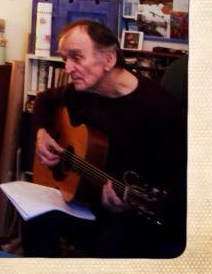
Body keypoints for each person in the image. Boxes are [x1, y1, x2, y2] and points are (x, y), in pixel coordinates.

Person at [22, 19, 186, 258]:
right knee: (33, 219)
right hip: (85, 197)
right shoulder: (83, 91)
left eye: (77, 58)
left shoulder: (159, 109)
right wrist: (41, 133)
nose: (67, 68)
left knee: (113, 245)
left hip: (134, 215)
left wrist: (128, 203)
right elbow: (45, 101)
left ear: (109, 60)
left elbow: (171, 185)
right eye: (64, 59)